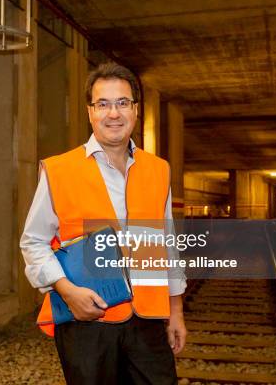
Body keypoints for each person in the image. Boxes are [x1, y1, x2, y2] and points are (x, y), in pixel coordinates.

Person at [20, 62, 186, 384]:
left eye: (122, 103)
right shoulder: (60, 170)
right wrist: (67, 292)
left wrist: (175, 311)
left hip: (148, 320)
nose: (114, 113)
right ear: (90, 112)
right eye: (103, 104)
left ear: (135, 110)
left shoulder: (158, 170)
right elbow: (33, 242)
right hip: (86, 322)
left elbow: (165, 243)